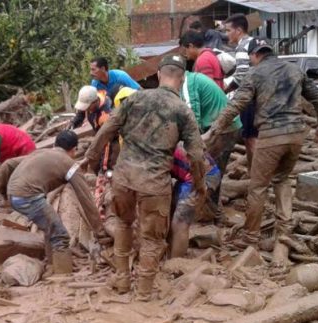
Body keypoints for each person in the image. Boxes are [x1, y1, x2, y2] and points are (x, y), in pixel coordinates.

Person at [85, 54, 207, 301]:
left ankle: (121, 281)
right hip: (154, 184)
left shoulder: (135, 98)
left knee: (122, 225)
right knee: (152, 238)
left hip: (123, 178)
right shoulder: (182, 111)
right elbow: (196, 155)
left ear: (159, 75)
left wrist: (91, 157)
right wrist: (200, 184)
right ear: (182, 79)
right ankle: (143, 292)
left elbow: (107, 129)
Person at [206, 43, 318, 255]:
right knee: (281, 180)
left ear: (255, 55)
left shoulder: (255, 73)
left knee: (258, 187)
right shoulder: (294, 69)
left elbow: (236, 104)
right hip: (295, 135)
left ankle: (250, 237)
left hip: (272, 135)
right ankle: (285, 231)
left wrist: (213, 130)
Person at [0, 130, 104, 275]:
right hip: (29, 197)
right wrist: (99, 231)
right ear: (74, 149)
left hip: (14, 195)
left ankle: (52, 265)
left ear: (56, 144)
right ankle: (63, 276)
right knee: (60, 235)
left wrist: (2, 194)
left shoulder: (40, 153)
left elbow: (8, 164)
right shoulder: (70, 164)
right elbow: (86, 199)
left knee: (50, 227)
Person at [179, 70, 241, 222]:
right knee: (212, 169)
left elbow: (193, 117)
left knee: (207, 170)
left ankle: (211, 215)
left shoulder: (188, 82)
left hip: (221, 130)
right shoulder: (193, 79)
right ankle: (212, 212)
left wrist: (189, 144)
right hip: (226, 127)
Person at [72, 85, 118, 236]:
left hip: (111, 141)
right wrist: (75, 122)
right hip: (99, 137)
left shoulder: (105, 115)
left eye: (87, 107)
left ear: (94, 103)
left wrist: (104, 167)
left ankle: (103, 214)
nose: (86, 109)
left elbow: (106, 144)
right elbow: (80, 112)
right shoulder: (94, 97)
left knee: (105, 172)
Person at [169, 146, 221, 258]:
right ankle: (170, 252)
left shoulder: (152, 150)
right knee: (170, 213)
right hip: (187, 174)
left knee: (180, 222)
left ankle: (175, 263)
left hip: (202, 176)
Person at [223, 14, 259, 167]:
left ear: (238, 30)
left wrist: (225, 90)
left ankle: (256, 173)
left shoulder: (243, 46)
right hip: (266, 94)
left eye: (228, 30)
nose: (226, 34)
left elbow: (242, 75)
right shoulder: (257, 42)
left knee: (250, 138)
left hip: (251, 97)